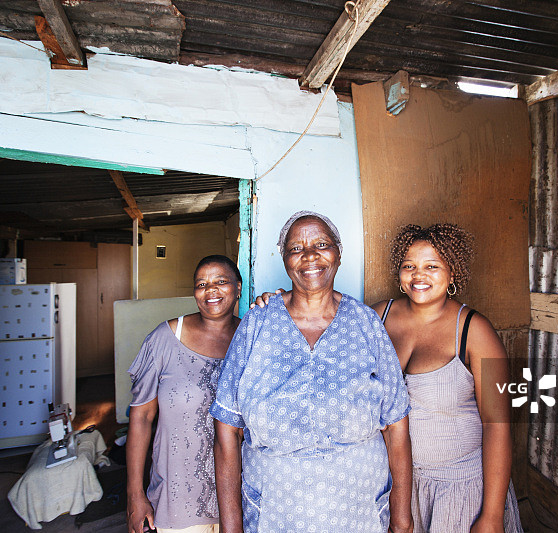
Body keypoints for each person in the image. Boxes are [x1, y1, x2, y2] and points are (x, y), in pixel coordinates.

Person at [210, 211, 413, 533]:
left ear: (338, 253)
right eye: (296, 248)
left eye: (321, 244)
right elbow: (226, 428)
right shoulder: (258, 323)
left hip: (359, 509)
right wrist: (231, 525)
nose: (309, 256)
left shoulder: (365, 322)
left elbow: (396, 423)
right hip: (274, 509)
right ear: (285, 260)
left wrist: (402, 517)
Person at [370, 223, 523, 533]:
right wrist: (281, 302)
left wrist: (492, 516)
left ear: (453, 273)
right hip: (395, 488)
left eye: (432, 266)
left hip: (460, 492)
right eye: (409, 266)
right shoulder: (377, 317)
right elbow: (323, 325)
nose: (418, 275)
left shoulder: (476, 332)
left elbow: (498, 425)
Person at [126, 255, 242, 533]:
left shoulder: (250, 339)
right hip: (176, 501)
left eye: (221, 281)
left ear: (238, 287)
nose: (210, 290)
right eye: (201, 284)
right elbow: (141, 418)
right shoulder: (165, 338)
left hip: (239, 500)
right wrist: (134, 495)